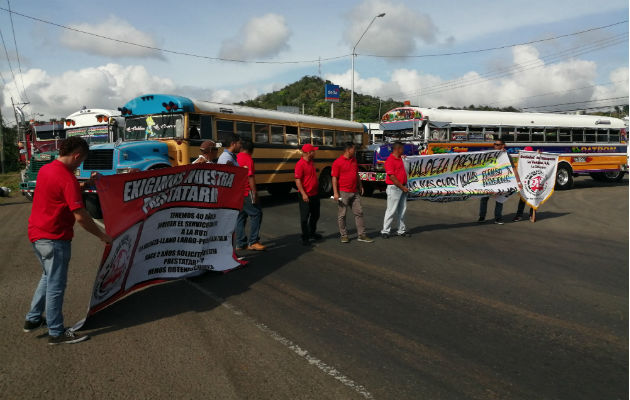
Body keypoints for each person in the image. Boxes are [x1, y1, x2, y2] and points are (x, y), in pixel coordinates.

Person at [24, 137, 112, 345]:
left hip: (37, 234)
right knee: (56, 285)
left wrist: (86, 184)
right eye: (81, 160)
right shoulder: (67, 178)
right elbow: (80, 216)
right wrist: (102, 235)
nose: (80, 164)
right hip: (54, 238)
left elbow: (61, 191)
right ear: (77, 155)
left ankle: (33, 319)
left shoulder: (47, 170)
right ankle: (56, 332)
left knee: (47, 277)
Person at [332, 142, 373, 243]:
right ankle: (344, 235)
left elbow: (356, 174)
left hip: (354, 191)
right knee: (342, 214)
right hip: (343, 192)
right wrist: (335, 192)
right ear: (348, 150)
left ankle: (361, 235)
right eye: (354, 149)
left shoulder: (354, 160)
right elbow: (334, 178)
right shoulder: (338, 162)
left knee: (359, 212)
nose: (355, 151)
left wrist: (360, 186)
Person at [478, 138, 522, 225]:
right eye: (494, 144)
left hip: (500, 181)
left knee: (499, 199)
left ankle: (498, 218)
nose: (495, 146)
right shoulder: (489, 154)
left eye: (497, 145)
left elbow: (513, 168)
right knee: (484, 198)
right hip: (488, 180)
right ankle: (481, 217)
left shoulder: (506, 156)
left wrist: (518, 181)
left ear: (503, 146)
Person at [236, 140, 265, 251]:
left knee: (241, 216)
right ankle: (253, 241)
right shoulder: (248, 159)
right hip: (247, 192)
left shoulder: (236, 157)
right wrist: (255, 193)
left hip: (238, 192)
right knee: (257, 214)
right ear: (251, 149)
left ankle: (240, 242)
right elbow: (250, 177)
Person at [381, 142, 410, 238]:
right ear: (398, 149)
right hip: (394, 188)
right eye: (402, 149)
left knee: (402, 210)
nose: (403, 151)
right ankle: (385, 231)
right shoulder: (390, 160)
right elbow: (392, 177)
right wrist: (402, 187)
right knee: (391, 210)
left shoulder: (401, 159)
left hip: (402, 187)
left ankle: (401, 230)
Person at [295, 144, 321, 245]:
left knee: (315, 215)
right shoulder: (300, 164)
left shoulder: (311, 162)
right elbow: (298, 181)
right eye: (313, 151)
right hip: (306, 195)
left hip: (314, 193)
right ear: (308, 153)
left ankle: (312, 233)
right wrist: (303, 194)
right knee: (305, 217)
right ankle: (305, 238)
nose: (315, 152)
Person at [513, 146, 539, 222]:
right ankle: (519, 215)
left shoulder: (535, 159)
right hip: (524, 182)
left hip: (533, 182)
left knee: (533, 198)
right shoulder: (521, 160)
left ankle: (532, 214)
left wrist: (538, 155)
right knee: (522, 198)